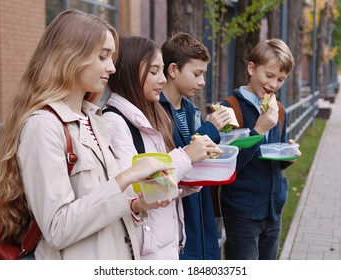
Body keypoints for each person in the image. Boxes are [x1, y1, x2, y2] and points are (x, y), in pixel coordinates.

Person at [0, 9, 175, 260]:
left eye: (112, 57)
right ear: (71, 56)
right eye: (103, 56)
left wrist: (135, 205)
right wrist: (127, 178)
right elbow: (57, 228)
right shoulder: (43, 126)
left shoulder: (92, 120)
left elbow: (96, 208)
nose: (112, 68)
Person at [102, 35, 221, 260]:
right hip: (147, 249)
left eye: (162, 71)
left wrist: (192, 181)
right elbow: (133, 192)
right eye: (154, 71)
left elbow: (161, 185)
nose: (162, 80)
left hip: (167, 244)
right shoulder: (115, 121)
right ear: (130, 72)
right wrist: (186, 156)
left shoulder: (151, 115)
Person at [219, 38, 301, 260]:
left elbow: (274, 154)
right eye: (269, 76)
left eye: (281, 79)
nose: (274, 84)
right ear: (252, 68)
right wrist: (258, 130)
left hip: (273, 210)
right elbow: (230, 165)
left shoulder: (278, 109)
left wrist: (288, 153)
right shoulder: (230, 109)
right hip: (242, 212)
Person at [159, 32, 233, 260]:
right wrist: (211, 129)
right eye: (197, 74)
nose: (202, 82)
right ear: (173, 70)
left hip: (201, 208)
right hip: (177, 212)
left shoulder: (192, 111)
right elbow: (179, 157)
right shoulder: (157, 113)